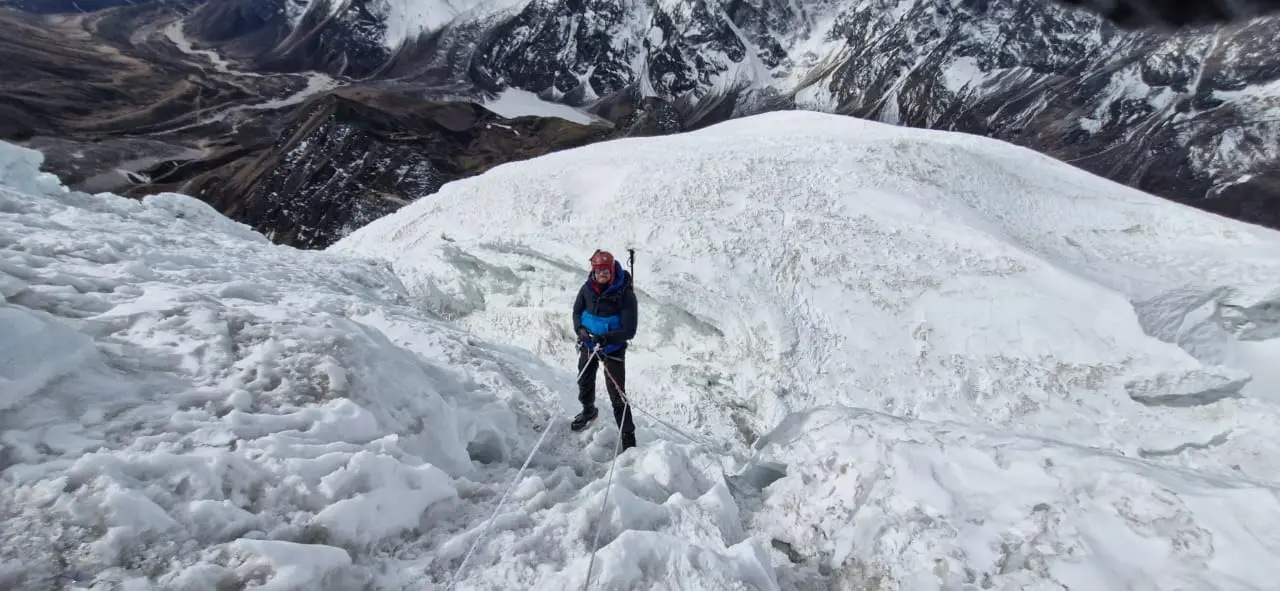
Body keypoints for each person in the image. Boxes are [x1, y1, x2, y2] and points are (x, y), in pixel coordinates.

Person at [570, 249, 638, 450]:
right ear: (593, 270)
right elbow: (577, 312)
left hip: (612, 349)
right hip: (589, 345)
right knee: (584, 381)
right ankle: (588, 411)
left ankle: (628, 436)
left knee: (617, 395)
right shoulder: (587, 288)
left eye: (606, 272)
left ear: (612, 271)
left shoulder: (625, 295)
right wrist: (580, 330)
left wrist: (606, 338)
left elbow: (629, 329)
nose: (602, 275)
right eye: (599, 271)